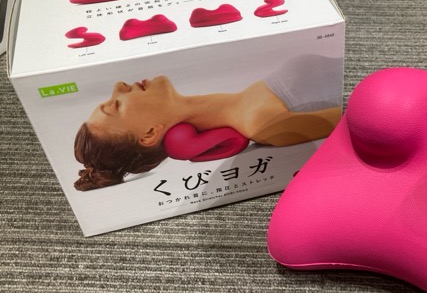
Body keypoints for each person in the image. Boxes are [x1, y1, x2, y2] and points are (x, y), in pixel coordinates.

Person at [74, 54, 343, 191]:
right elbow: (356, 115)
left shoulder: (250, 102)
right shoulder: (261, 122)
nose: (118, 86)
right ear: (148, 134)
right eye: (116, 104)